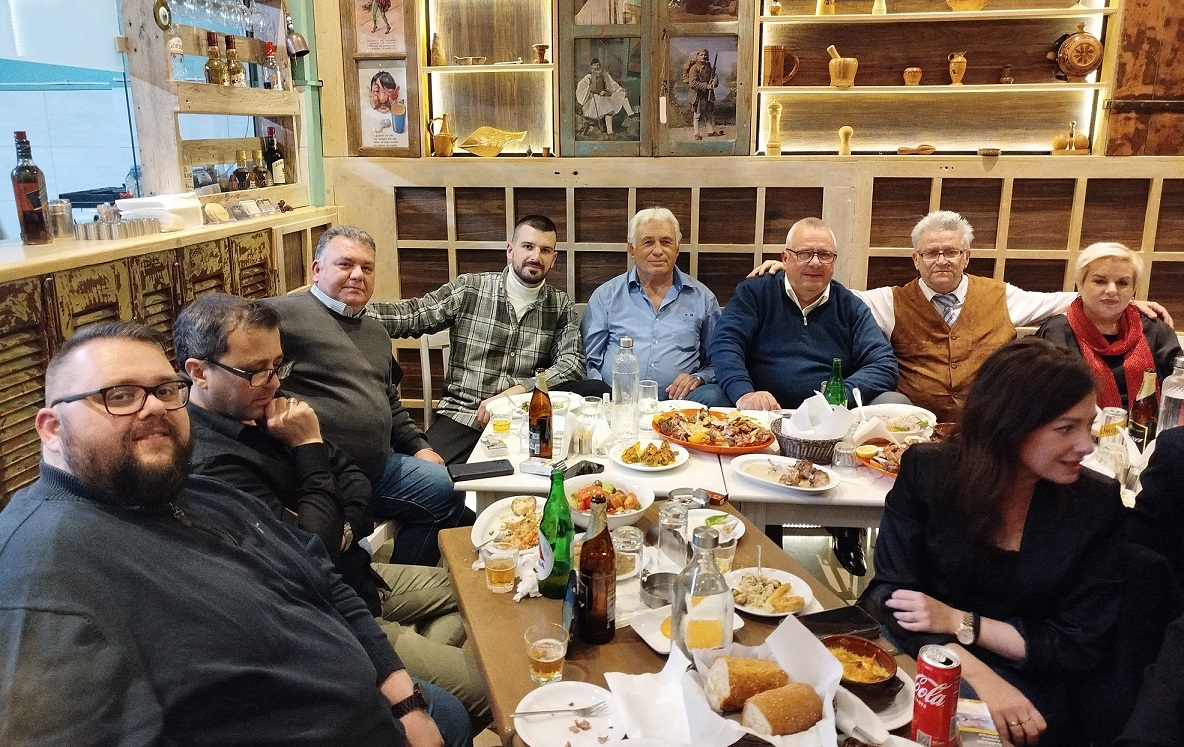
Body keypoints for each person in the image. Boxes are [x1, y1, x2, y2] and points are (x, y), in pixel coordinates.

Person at [0, 320, 469, 747]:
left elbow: (322, 576)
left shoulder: (197, 493)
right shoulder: (42, 569)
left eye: (165, 389)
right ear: (51, 429)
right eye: (119, 395)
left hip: (369, 698)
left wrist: (405, 702)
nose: (154, 407)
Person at [177, 294, 491, 729]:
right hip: (330, 613)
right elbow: (312, 552)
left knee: (480, 586)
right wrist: (308, 447)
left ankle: (416, 658)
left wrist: (342, 524)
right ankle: (411, 670)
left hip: (360, 576)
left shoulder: (264, 404)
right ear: (198, 372)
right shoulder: (209, 460)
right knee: (489, 688)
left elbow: (351, 474)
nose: (273, 382)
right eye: (255, 371)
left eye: (278, 365)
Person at [864, 338, 1129, 745]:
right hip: (928, 653)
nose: (1086, 446)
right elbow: (889, 594)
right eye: (1066, 428)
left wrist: (962, 622)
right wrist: (976, 674)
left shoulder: (1096, 503)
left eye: (1088, 425)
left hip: (1034, 678)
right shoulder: (929, 472)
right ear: (1008, 426)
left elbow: (1078, 646)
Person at [752, 210, 1173, 421]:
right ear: (916, 259)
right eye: (931, 253)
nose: (942, 260)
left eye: (951, 252)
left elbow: (1062, 300)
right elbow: (826, 289)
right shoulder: (887, 301)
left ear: (966, 256)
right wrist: (785, 272)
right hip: (911, 423)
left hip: (986, 423)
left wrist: (1123, 301)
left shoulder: (1003, 296)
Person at [265, 226, 470, 566]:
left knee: (448, 491)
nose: (358, 275)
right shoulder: (278, 316)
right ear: (317, 270)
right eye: (345, 264)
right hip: (318, 476)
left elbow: (388, 399)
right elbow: (222, 345)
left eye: (367, 267)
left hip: (377, 469)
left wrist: (419, 446)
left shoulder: (375, 332)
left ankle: (404, 577)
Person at [709, 216, 898, 576]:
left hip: (830, 420)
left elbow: (883, 363)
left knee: (894, 402)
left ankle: (849, 527)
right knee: (711, 396)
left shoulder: (849, 305)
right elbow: (725, 342)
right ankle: (749, 529)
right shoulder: (756, 293)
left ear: (834, 261)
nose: (815, 262)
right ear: (785, 257)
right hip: (765, 410)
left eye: (824, 255)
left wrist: (837, 395)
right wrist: (744, 392)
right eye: (804, 253)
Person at [368, 215, 606, 465]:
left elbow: (572, 364)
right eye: (528, 246)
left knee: (596, 391)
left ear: (553, 259)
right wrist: (350, 311)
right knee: (424, 476)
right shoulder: (471, 288)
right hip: (465, 415)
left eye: (545, 250)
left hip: (525, 417)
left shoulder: (559, 305)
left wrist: (515, 394)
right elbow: (413, 315)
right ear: (510, 250)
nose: (535, 256)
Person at [581, 206, 728, 407]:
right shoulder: (606, 296)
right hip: (618, 403)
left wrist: (699, 378)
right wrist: (604, 399)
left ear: (677, 249)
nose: (658, 251)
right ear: (632, 249)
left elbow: (717, 359)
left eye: (666, 242)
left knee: (716, 396)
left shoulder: (702, 298)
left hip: (680, 403)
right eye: (648, 242)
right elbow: (590, 360)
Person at [1035, 241, 1182, 409]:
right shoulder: (1056, 332)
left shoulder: (1153, 328)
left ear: (1133, 289)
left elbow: (1179, 382)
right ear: (1080, 285)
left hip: (1147, 422)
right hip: (1079, 422)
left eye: (1122, 283)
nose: (1112, 290)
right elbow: (1042, 398)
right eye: (1100, 281)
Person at [576, 58, 636, 136]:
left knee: (622, 95)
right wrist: (597, 91)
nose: (597, 67)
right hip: (594, 99)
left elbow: (612, 84)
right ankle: (610, 132)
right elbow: (584, 87)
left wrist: (619, 89)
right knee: (608, 109)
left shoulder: (605, 74)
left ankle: (630, 114)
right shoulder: (589, 76)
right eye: (594, 65)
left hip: (606, 94)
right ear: (591, 67)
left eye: (598, 65)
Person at [683, 49, 721, 140]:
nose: (703, 56)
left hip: (707, 94)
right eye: (701, 55)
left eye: (705, 55)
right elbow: (693, 83)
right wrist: (706, 86)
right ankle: (696, 134)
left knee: (708, 113)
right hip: (698, 95)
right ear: (697, 56)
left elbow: (714, 76)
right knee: (697, 115)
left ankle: (710, 132)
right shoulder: (694, 68)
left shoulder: (708, 67)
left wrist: (714, 82)